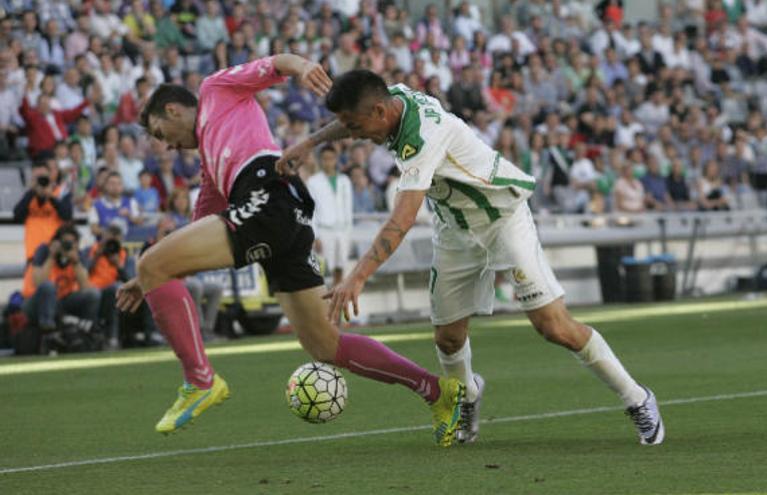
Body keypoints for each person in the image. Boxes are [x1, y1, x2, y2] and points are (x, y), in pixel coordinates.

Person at [277, 70, 664, 446]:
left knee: (554, 327)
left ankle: (638, 399)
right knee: (447, 338)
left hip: (502, 218)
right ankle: (467, 397)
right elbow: (350, 121)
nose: (354, 135)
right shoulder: (388, 100)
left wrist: (358, 276)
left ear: (379, 112)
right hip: (454, 227)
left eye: (356, 126)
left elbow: (404, 217)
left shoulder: (421, 137)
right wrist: (308, 144)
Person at [116, 55, 465, 445]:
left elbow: (274, 64)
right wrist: (147, 276)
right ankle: (439, 391)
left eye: (160, 132)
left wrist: (301, 67)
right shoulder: (212, 161)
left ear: (172, 108)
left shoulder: (214, 90)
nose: (165, 145)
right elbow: (201, 224)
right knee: (324, 345)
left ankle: (199, 380)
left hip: (267, 194)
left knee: (155, 264)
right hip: (281, 213)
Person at [22, 224, 100, 334]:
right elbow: (39, 283)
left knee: (93, 294)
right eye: (65, 242)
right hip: (37, 301)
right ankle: (49, 332)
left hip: (63, 301)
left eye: (71, 242)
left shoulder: (78, 254)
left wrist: (76, 262)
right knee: (48, 286)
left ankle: (87, 332)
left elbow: (85, 287)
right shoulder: (44, 250)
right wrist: (51, 256)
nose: (67, 246)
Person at [306, 146, 354, 286]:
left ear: (336, 160)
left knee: (342, 269)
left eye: (331, 159)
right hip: (324, 229)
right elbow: (311, 210)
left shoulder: (344, 180)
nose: (328, 162)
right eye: (325, 159)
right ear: (321, 161)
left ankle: (339, 303)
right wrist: (316, 236)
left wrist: (349, 233)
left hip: (343, 229)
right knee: (326, 270)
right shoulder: (313, 182)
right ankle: (327, 305)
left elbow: (348, 209)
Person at [14, 160, 73, 261]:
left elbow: (67, 215)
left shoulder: (60, 193)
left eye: (43, 177)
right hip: (33, 253)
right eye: (37, 177)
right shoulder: (29, 196)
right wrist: (32, 191)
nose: (41, 181)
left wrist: (50, 196)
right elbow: (17, 216)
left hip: (55, 251)